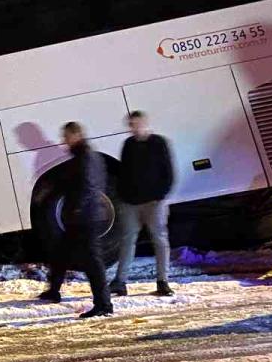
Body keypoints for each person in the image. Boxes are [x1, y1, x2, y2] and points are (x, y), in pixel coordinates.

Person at [38, 122, 115, 319]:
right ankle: (53, 290)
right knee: (61, 254)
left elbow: (89, 186)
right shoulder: (83, 156)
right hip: (80, 217)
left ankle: (104, 304)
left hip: (85, 218)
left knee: (93, 263)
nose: (64, 141)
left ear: (76, 135)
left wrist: (78, 208)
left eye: (66, 137)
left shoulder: (86, 157)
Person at [110, 111, 176, 297]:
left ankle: (163, 281)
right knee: (128, 240)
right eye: (131, 125)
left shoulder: (158, 143)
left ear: (145, 123)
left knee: (159, 240)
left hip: (154, 202)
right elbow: (124, 172)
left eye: (137, 124)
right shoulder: (129, 145)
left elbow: (168, 172)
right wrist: (123, 196)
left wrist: (160, 195)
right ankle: (120, 281)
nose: (134, 128)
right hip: (131, 203)